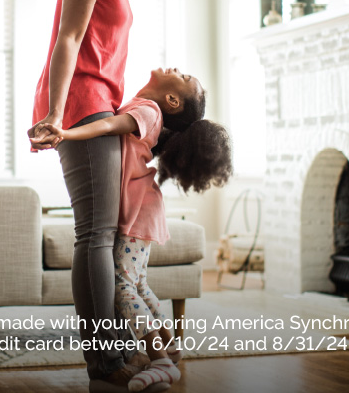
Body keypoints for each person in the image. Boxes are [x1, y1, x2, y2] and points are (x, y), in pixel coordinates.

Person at [28, 0, 197, 393]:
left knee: (97, 236)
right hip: (81, 107)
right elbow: (69, 37)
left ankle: (110, 354)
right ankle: (105, 361)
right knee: (96, 237)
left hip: (94, 105)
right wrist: (58, 115)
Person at [34, 66, 233, 392]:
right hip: (144, 210)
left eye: (183, 78)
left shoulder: (148, 110)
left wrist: (65, 132)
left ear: (171, 100)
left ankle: (159, 360)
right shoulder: (148, 108)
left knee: (123, 287)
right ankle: (169, 346)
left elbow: (110, 125)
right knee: (137, 284)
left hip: (139, 211)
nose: (177, 70)